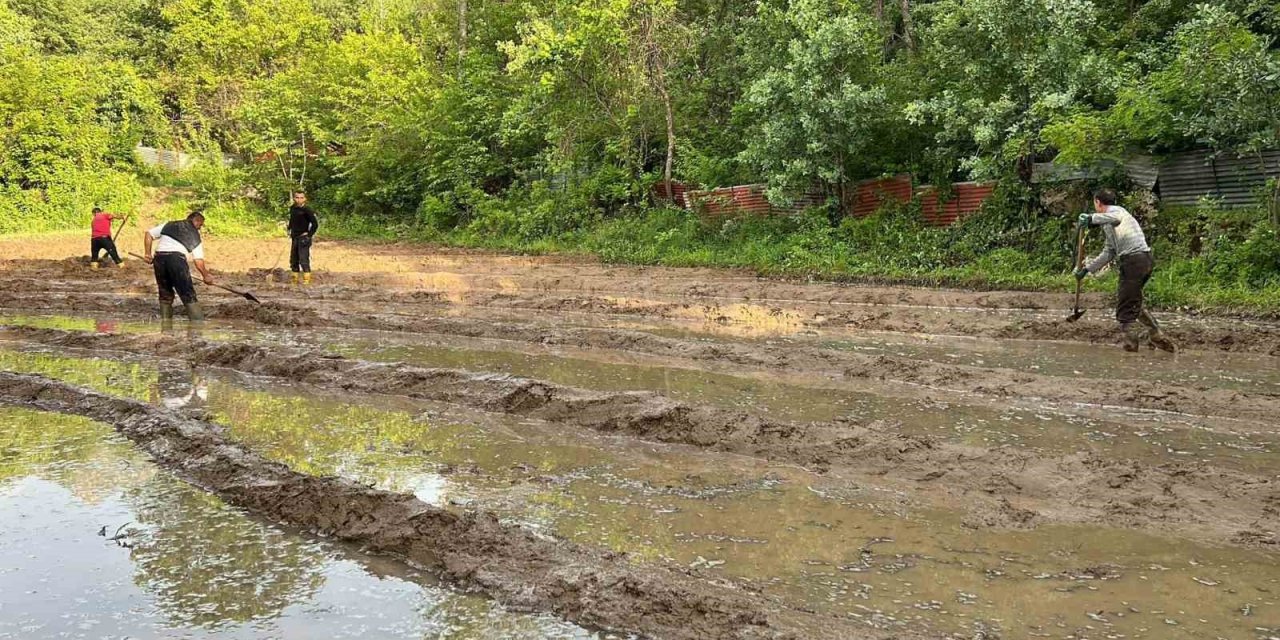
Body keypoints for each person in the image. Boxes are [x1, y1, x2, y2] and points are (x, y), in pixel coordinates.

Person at [1075, 189, 1177, 353]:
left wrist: (1091, 218)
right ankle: (1155, 333)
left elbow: (1114, 217)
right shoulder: (1109, 224)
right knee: (1132, 301)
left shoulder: (1117, 212)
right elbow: (1109, 252)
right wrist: (1087, 269)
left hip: (1134, 261)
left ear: (1097, 202)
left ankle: (1131, 346)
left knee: (1125, 307)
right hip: (1141, 261)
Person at [143, 211, 214, 322]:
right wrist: (206, 275)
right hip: (176, 260)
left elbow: (149, 234)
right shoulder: (194, 235)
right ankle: (198, 324)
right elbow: (198, 260)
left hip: (159, 258)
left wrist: (147, 254)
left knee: (165, 292)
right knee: (187, 292)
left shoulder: (169, 224)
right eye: (200, 225)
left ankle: (166, 324)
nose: (199, 228)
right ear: (196, 221)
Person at [287, 191, 319, 285]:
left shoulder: (307, 210)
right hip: (295, 237)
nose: (299, 200)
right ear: (294, 198)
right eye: (297, 197)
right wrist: (289, 229)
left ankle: (306, 281)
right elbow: (292, 220)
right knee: (294, 259)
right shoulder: (293, 208)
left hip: (303, 238)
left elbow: (315, 224)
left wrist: (309, 235)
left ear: (305, 199)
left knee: (303, 259)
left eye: (301, 198)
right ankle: (294, 280)